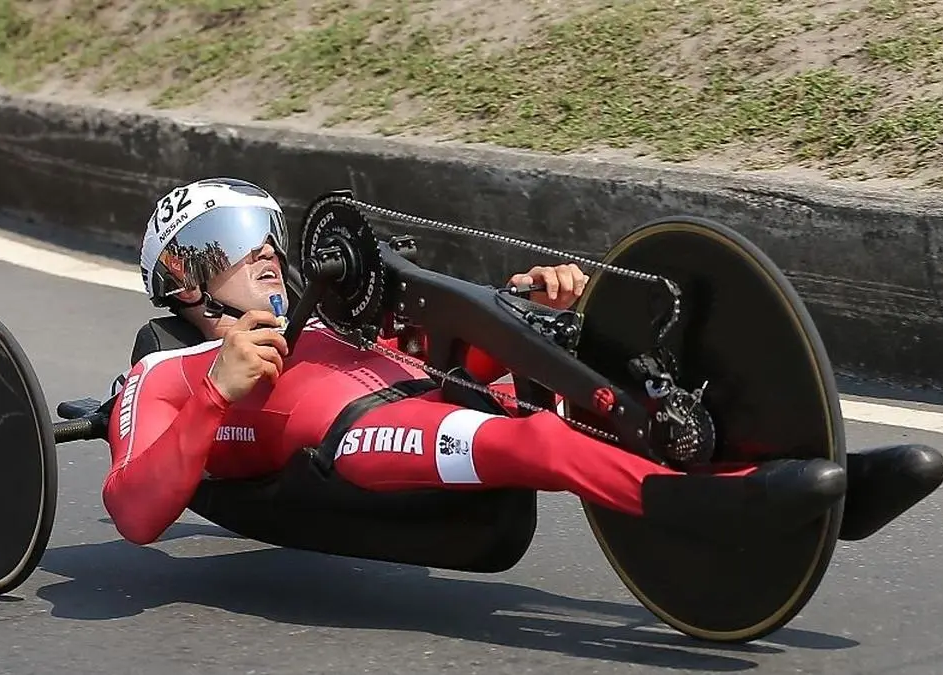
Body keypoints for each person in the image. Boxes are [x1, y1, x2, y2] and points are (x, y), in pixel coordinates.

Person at [102, 178, 696, 545]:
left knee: (569, 352)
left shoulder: (333, 320)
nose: (264, 251)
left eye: (266, 234)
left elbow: (432, 355)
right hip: (358, 433)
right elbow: (133, 513)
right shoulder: (164, 375)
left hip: (421, 390)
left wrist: (524, 310)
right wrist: (215, 393)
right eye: (230, 243)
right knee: (538, 440)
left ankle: (707, 434)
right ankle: (709, 506)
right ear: (184, 281)